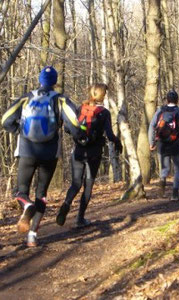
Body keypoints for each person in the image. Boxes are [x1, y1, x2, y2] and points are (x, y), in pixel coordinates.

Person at [1, 66, 83, 247]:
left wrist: (18, 131)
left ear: (39, 80)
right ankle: (32, 235)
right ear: (54, 82)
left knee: (21, 191)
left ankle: (26, 205)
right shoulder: (60, 100)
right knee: (41, 193)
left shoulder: (26, 97)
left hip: (26, 150)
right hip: (49, 153)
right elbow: (75, 124)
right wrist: (78, 137)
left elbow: (5, 120)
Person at [56, 83, 122, 228]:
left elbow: (68, 128)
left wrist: (80, 138)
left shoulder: (80, 109)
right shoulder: (103, 113)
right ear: (101, 96)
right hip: (94, 153)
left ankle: (66, 204)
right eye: (105, 94)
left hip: (78, 151)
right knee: (88, 185)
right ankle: (80, 219)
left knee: (76, 183)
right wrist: (118, 143)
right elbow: (110, 135)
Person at [148, 90, 179, 201]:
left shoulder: (160, 111)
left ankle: (161, 188)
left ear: (167, 100)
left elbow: (152, 126)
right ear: (177, 100)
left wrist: (151, 142)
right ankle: (175, 193)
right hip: (175, 144)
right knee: (178, 169)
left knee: (165, 168)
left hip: (162, 144)